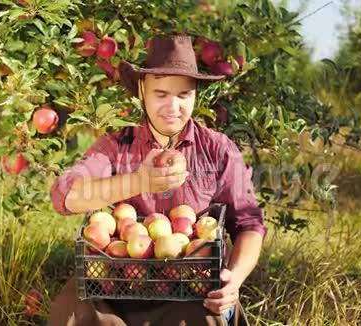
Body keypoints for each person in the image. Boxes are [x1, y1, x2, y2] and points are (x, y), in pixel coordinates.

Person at [49, 34, 266, 326]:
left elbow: (249, 223)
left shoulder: (218, 149)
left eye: (183, 95)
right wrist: (138, 181)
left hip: (192, 286)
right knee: (76, 311)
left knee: (207, 317)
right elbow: (65, 197)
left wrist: (234, 278)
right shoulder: (116, 145)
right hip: (117, 286)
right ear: (142, 90)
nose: (173, 107)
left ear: (196, 94)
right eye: (161, 94)